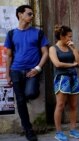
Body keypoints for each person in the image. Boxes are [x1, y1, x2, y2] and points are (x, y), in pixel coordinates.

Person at [4, 5, 49, 141]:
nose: (32, 16)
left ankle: (26, 95)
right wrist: (7, 74)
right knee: (20, 101)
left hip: (32, 71)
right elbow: (9, 56)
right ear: (20, 15)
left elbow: (45, 53)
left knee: (30, 93)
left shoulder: (38, 33)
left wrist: (38, 69)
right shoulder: (11, 34)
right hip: (16, 71)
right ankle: (28, 130)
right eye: (29, 13)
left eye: (32, 14)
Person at [49, 25, 79, 141]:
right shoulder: (53, 49)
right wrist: (72, 65)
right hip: (61, 78)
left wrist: (73, 48)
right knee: (60, 105)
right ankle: (58, 132)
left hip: (73, 77)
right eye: (69, 36)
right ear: (62, 36)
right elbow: (57, 64)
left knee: (73, 105)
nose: (70, 39)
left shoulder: (70, 47)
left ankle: (73, 130)